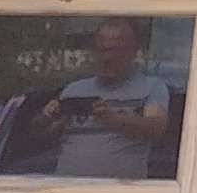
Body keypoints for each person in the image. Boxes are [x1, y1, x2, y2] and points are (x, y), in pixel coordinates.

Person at [35, 20, 178, 179]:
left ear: (133, 52)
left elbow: (157, 127)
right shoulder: (73, 90)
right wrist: (47, 117)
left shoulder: (151, 87)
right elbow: (39, 139)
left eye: (116, 50)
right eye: (102, 50)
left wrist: (116, 120)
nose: (107, 57)